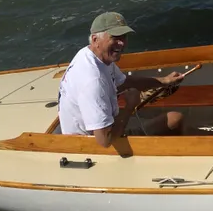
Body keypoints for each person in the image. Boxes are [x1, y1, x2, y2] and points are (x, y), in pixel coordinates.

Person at [58, 11, 185, 146]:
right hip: (93, 144)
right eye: (115, 37)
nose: (122, 43)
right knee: (175, 119)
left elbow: (125, 82)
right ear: (95, 40)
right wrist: (130, 106)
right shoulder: (92, 81)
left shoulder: (94, 55)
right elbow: (105, 141)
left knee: (174, 119)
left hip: (107, 126)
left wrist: (164, 81)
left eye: (124, 37)